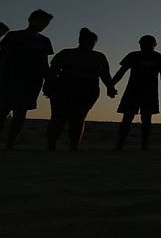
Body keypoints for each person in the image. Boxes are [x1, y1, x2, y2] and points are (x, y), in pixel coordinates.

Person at [45, 28, 116, 150]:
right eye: (86, 42)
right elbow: (52, 72)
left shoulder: (99, 57)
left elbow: (105, 74)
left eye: (92, 43)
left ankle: (74, 146)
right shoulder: (65, 54)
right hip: (63, 89)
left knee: (78, 118)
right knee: (58, 117)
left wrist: (110, 87)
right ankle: (51, 145)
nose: (89, 45)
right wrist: (48, 86)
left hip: (88, 91)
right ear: (80, 41)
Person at [0, 9, 54, 150]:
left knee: (20, 114)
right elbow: (3, 57)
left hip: (31, 82)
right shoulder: (13, 36)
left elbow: (44, 63)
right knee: (2, 111)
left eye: (45, 23)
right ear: (30, 20)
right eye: (40, 21)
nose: (42, 25)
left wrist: (47, 81)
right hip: (9, 79)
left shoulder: (44, 41)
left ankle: (10, 144)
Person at [112, 35, 161, 150]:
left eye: (149, 44)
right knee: (127, 118)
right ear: (140, 44)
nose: (146, 47)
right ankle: (120, 144)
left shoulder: (160, 58)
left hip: (150, 92)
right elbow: (121, 72)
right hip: (133, 90)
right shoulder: (133, 56)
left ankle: (144, 144)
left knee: (146, 119)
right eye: (143, 44)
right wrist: (111, 85)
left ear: (155, 45)